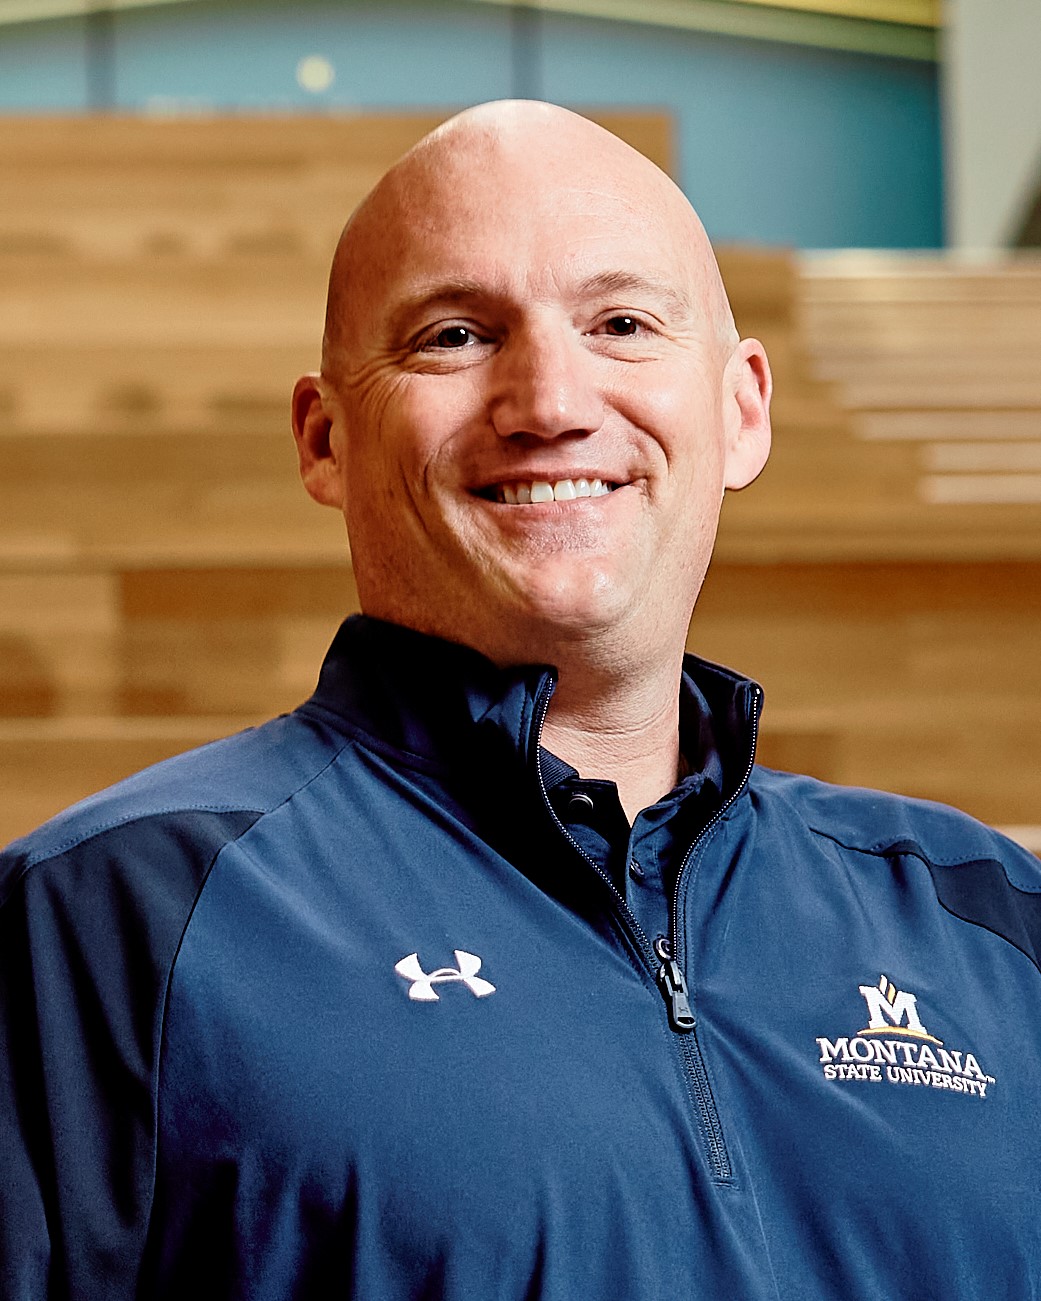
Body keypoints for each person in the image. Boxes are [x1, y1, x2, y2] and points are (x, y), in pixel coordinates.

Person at [1, 100, 1039, 1300]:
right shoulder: (107, 920)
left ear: (743, 408)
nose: (550, 400)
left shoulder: (991, 922)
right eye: (453, 334)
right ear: (324, 438)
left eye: (623, 322)